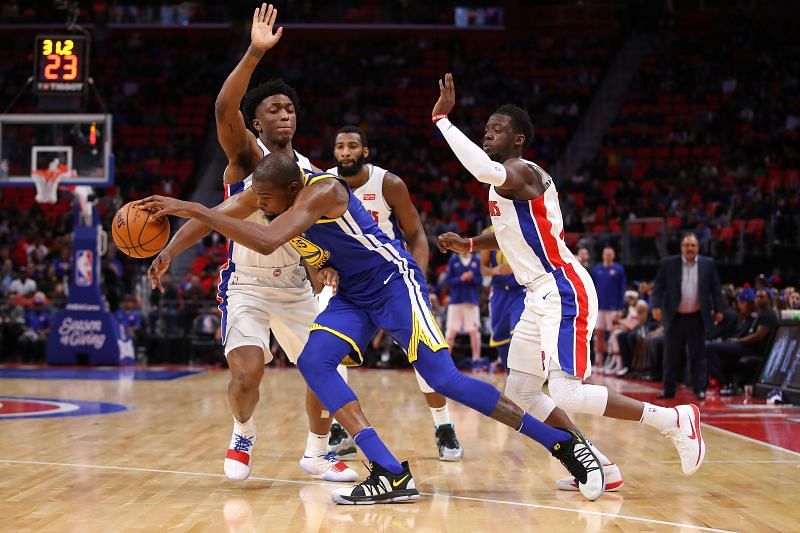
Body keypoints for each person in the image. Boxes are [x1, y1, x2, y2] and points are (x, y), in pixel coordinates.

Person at [138, 153, 607, 504]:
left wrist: (192, 207)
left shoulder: (323, 190)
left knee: (445, 381)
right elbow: (248, 218)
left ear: (290, 188)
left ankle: (562, 443)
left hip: (393, 283)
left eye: (266, 200)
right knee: (315, 362)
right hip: (353, 296)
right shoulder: (273, 189)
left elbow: (265, 239)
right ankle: (389, 470)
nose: (260, 206)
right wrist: (169, 250)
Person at [432, 73, 705, 489]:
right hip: (535, 294)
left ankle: (674, 420)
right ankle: (594, 463)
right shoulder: (507, 182)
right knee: (522, 392)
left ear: (519, 139)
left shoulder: (519, 172)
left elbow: (482, 169)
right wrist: (471, 243)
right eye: (485, 129)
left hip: (562, 288)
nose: (487, 134)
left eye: (497, 129)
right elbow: (510, 233)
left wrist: (443, 122)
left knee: (566, 392)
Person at [146, 4, 357, 484]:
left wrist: (323, 269)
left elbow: (312, 235)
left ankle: (317, 452)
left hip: (297, 288)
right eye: (273, 109)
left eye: (289, 108)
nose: (284, 114)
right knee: (245, 374)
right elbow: (224, 115)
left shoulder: (308, 171)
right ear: (256, 124)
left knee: (329, 372)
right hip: (250, 284)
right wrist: (255, 52)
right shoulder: (247, 155)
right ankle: (243, 433)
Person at [323, 125, 464, 461]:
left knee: (424, 354)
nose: (345, 152)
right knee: (329, 354)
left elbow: (416, 235)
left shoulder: (388, 183)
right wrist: (318, 269)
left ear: (365, 152)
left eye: (352, 146)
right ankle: (340, 429)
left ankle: (444, 427)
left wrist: (415, 280)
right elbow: (308, 234)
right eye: (340, 147)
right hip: (345, 285)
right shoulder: (323, 183)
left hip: (389, 281)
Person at [652, 233, 724, 400]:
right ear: (681, 247)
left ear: (698, 247)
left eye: (693, 245)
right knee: (671, 355)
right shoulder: (669, 263)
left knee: (698, 355)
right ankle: (668, 389)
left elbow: (716, 288)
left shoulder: (708, 264)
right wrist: (656, 306)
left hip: (697, 316)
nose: (690, 248)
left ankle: (700, 389)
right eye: (687, 245)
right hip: (674, 316)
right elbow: (658, 287)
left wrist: (719, 309)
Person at [708, 289, 777, 394]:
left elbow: (758, 336)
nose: (758, 299)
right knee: (717, 348)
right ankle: (727, 383)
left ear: (769, 299)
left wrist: (738, 341)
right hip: (746, 347)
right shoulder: (758, 314)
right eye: (757, 297)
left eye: (762, 297)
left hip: (753, 350)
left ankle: (722, 382)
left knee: (711, 347)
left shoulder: (768, 315)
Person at [479, 227, 525, 372]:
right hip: (499, 291)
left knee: (518, 332)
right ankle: (509, 374)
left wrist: (516, 268)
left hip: (520, 290)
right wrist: (495, 270)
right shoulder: (487, 233)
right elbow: (482, 268)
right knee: (500, 336)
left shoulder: (520, 228)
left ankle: (526, 374)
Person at [443, 249, 483, 367]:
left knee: (474, 332)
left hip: (471, 300)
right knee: (450, 332)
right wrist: (461, 278)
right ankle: (445, 361)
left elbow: (480, 280)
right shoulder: (453, 260)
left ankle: (476, 359)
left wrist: (472, 278)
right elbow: (447, 280)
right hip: (456, 300)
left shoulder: (476, 260)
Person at [591, 247, 626, 374]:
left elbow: (622, 290)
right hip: (599, 307)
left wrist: (620, 308)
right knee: (598, 335)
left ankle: (618, 363)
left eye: (610, 254)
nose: (608, 256)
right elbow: (592, 289)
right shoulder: (597, 270)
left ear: (614, 255)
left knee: (613, 335)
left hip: (613, 308)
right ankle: (599, 361)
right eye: (606, 254)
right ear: (602, 255)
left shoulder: (618, 270)